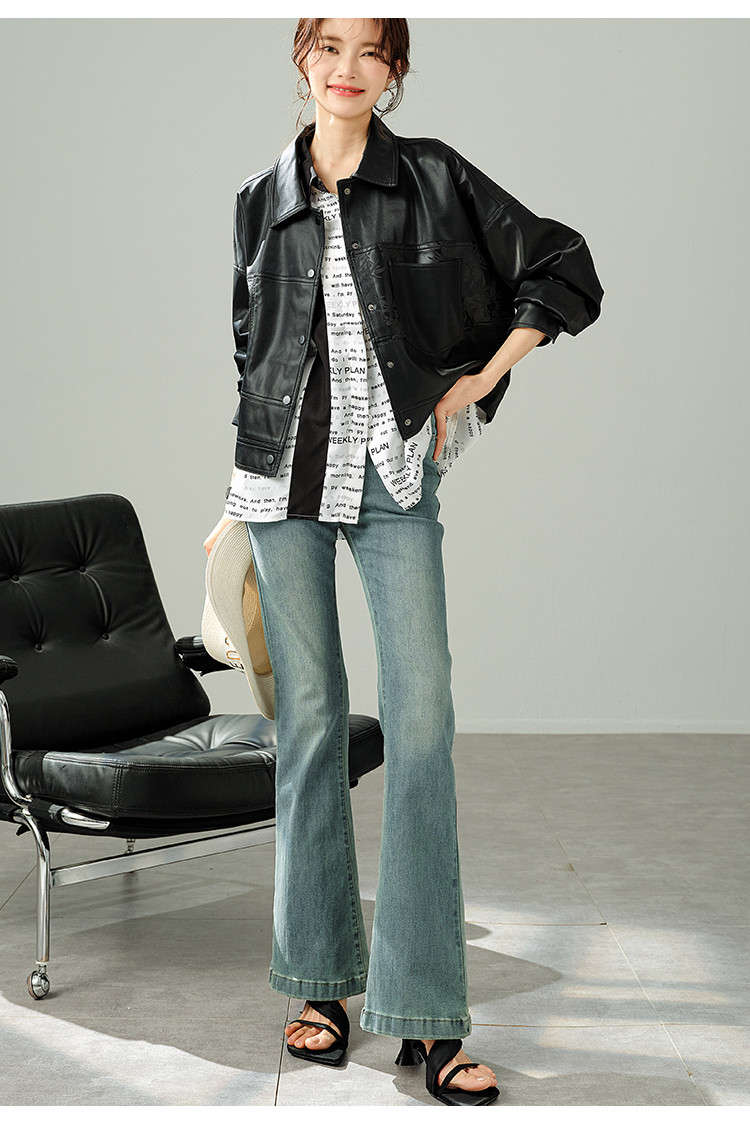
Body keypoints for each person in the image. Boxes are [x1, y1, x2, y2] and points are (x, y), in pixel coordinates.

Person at [204, 17, 603, 1106]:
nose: (347, 69)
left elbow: (562, 266)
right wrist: (232, 502)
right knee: (310, 724)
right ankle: (319, 983)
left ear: (394, 71)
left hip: (392, 475)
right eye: (328, 46)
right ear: (302, 58)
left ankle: (427, 1013)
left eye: (371, 52)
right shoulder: (258, 199)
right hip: (279, 483)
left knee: (420, 722)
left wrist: (479, 379)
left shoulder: (432, 178)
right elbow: (252, 356)